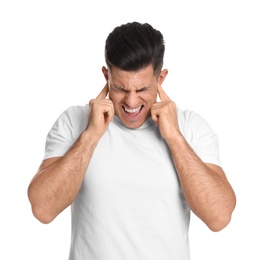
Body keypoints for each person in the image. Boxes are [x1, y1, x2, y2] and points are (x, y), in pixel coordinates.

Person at [28, 21, 236, 260]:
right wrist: (90, 137)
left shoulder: (190, 127)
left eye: (143, 89)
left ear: (161, 78)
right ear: (106, 76)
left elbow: (219, 217)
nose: (131, 102)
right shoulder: (75, 121)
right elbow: (43, 209)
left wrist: (174, 138)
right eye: (120, 88)